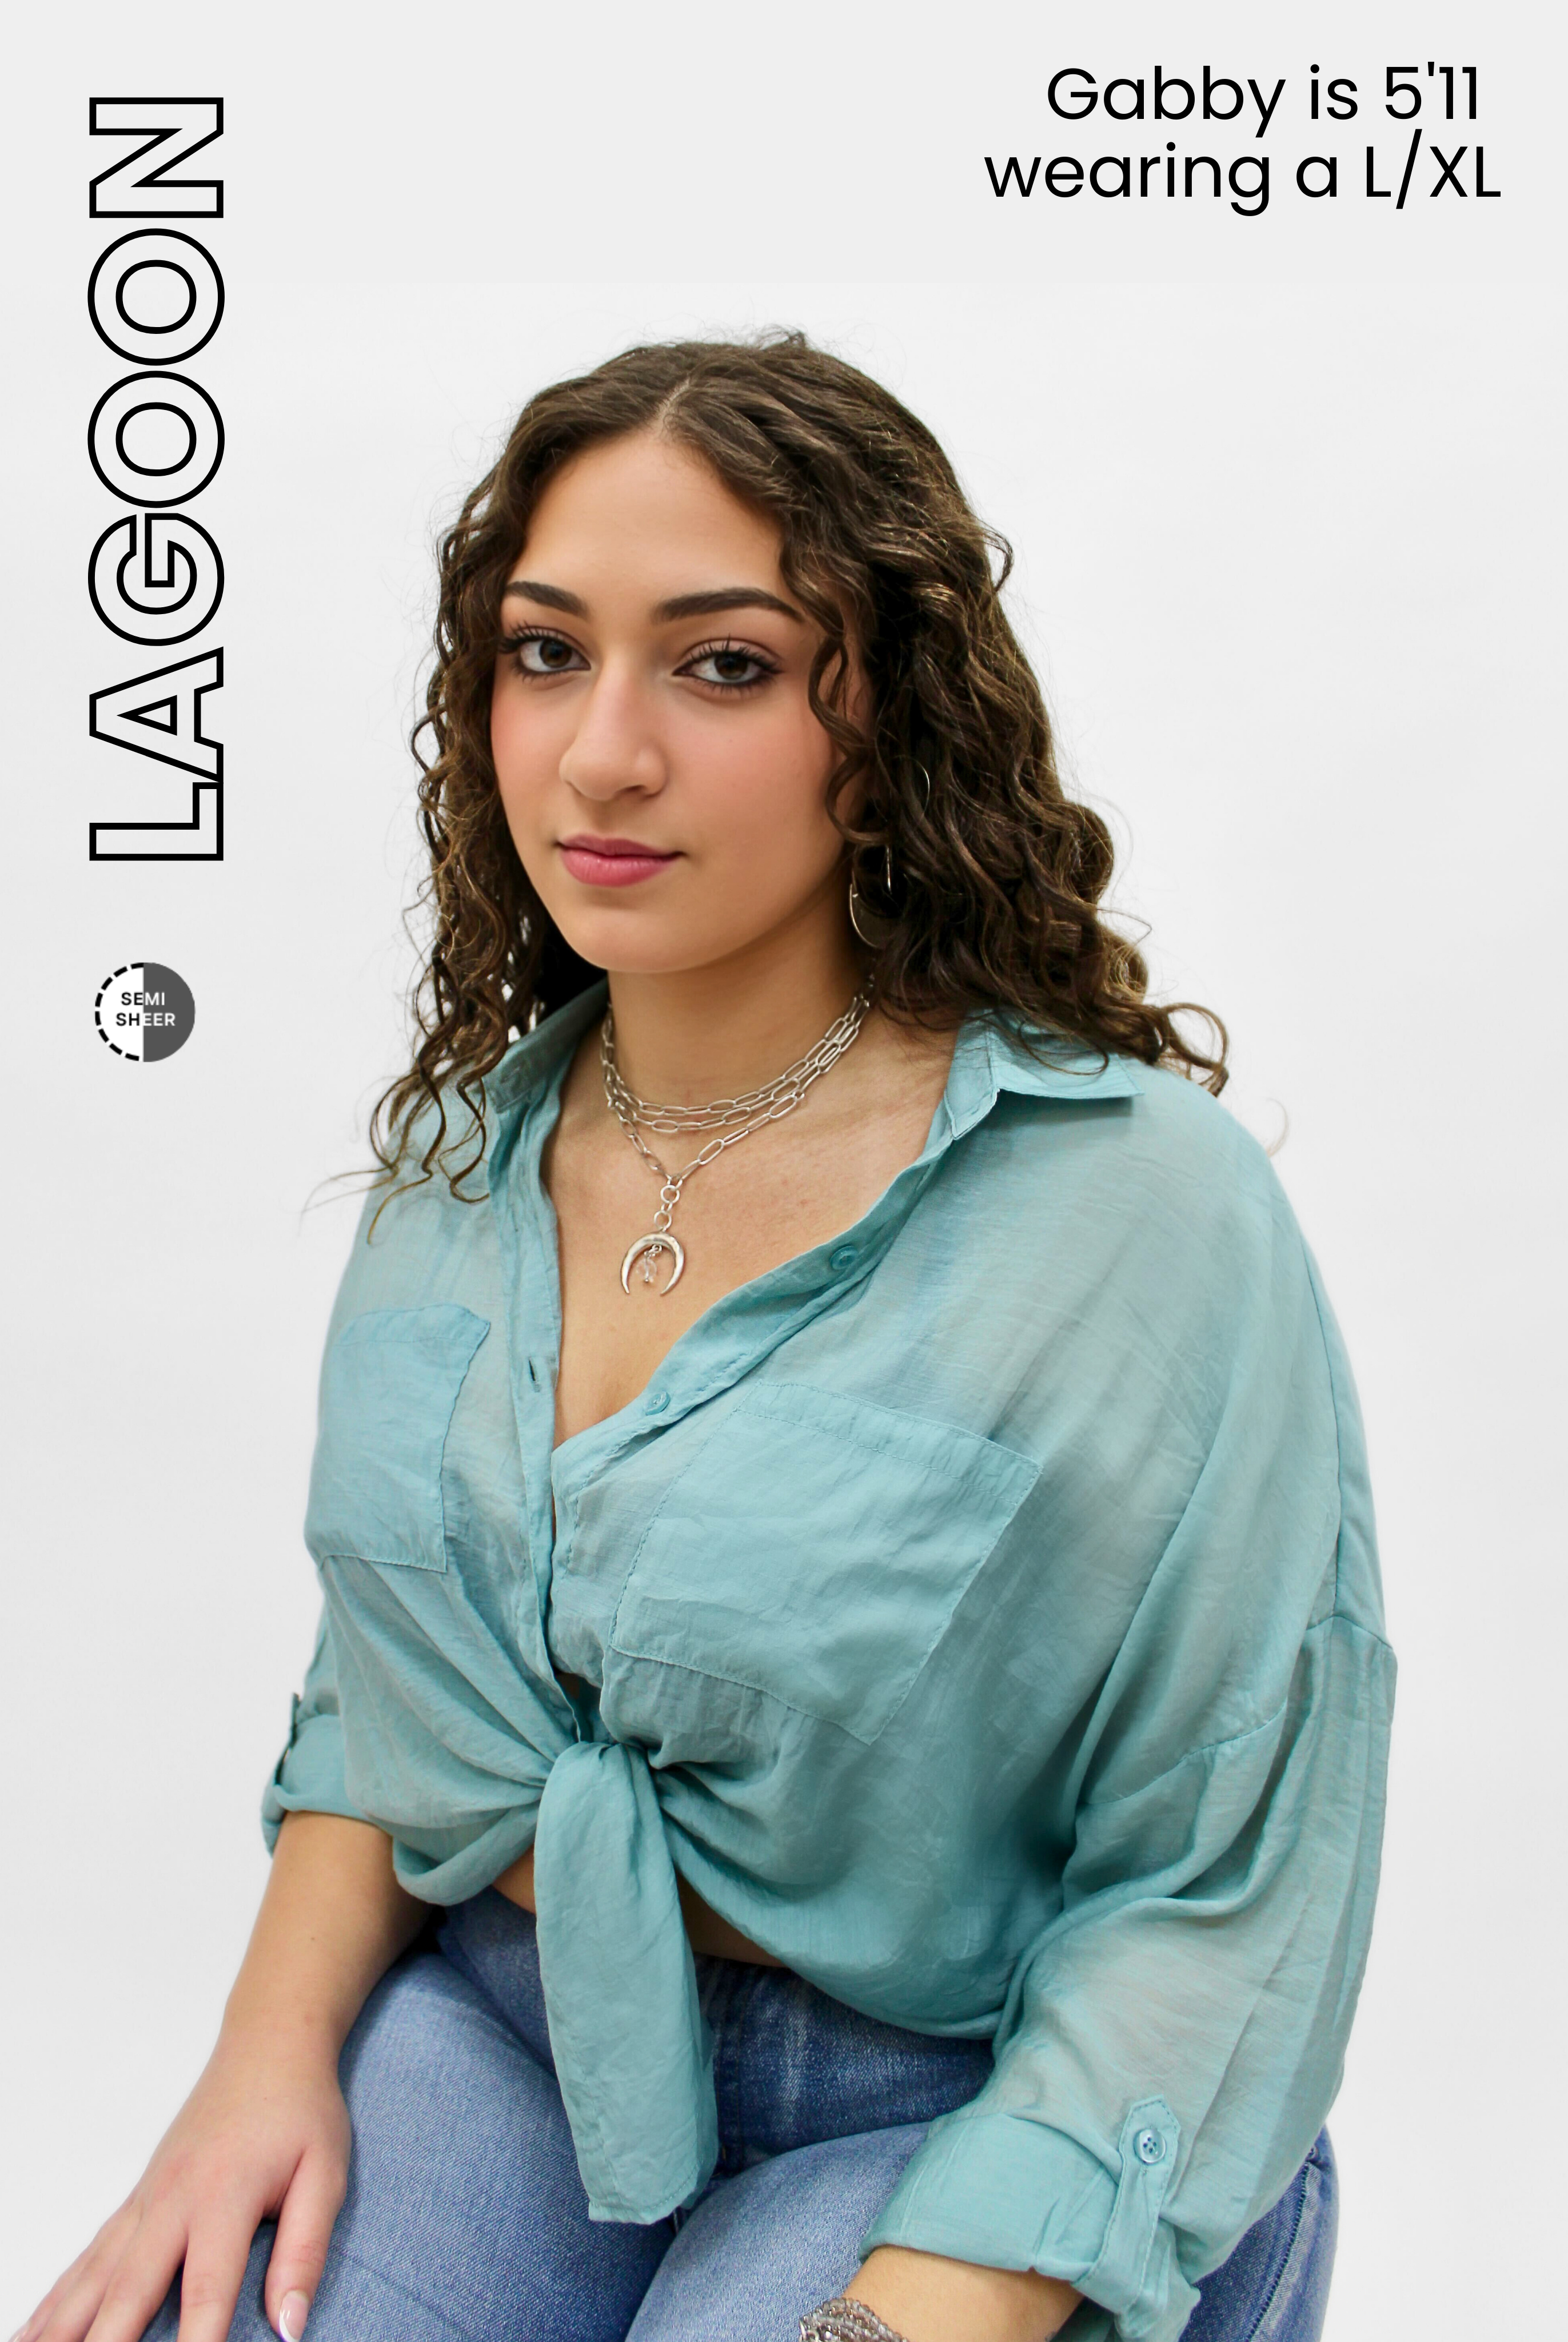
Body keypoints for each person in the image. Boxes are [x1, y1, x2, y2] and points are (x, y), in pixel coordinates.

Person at [20, 334, 1393, 2342]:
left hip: (972, 2103)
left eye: (722, 665)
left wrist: (939, 2294)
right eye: (545, 652)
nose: (601, 755)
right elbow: (388, 1694)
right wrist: (259, 2063)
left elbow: (1230, 1873)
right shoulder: (460, 1169)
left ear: (889, 717)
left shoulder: (1132, 1212)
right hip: (504, 2037)